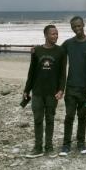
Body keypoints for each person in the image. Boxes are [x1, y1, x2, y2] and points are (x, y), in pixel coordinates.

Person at [22, 25, 66, 158]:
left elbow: (62, 73)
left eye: (57, 34)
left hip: (52, 92)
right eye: (53, 34)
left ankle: (49, 147)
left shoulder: (61, 51)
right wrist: (26, 89)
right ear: (46, 35)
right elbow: (32, 72)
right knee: (38, 120)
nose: (55, 36)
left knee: (50, 119)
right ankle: (38, 147)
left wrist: (61, 89)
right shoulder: (37, 51)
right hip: (37, 92)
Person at [59, 16, 86, 157]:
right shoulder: (68, 44)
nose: (77, 29)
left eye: (79, 26)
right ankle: (66, 145)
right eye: (74, 27)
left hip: (85, 88)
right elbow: (55, 53)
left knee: (82, 116)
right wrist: (37, 49)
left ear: (83, 24)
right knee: (69, 116)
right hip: (71, 87)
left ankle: (81, 143)